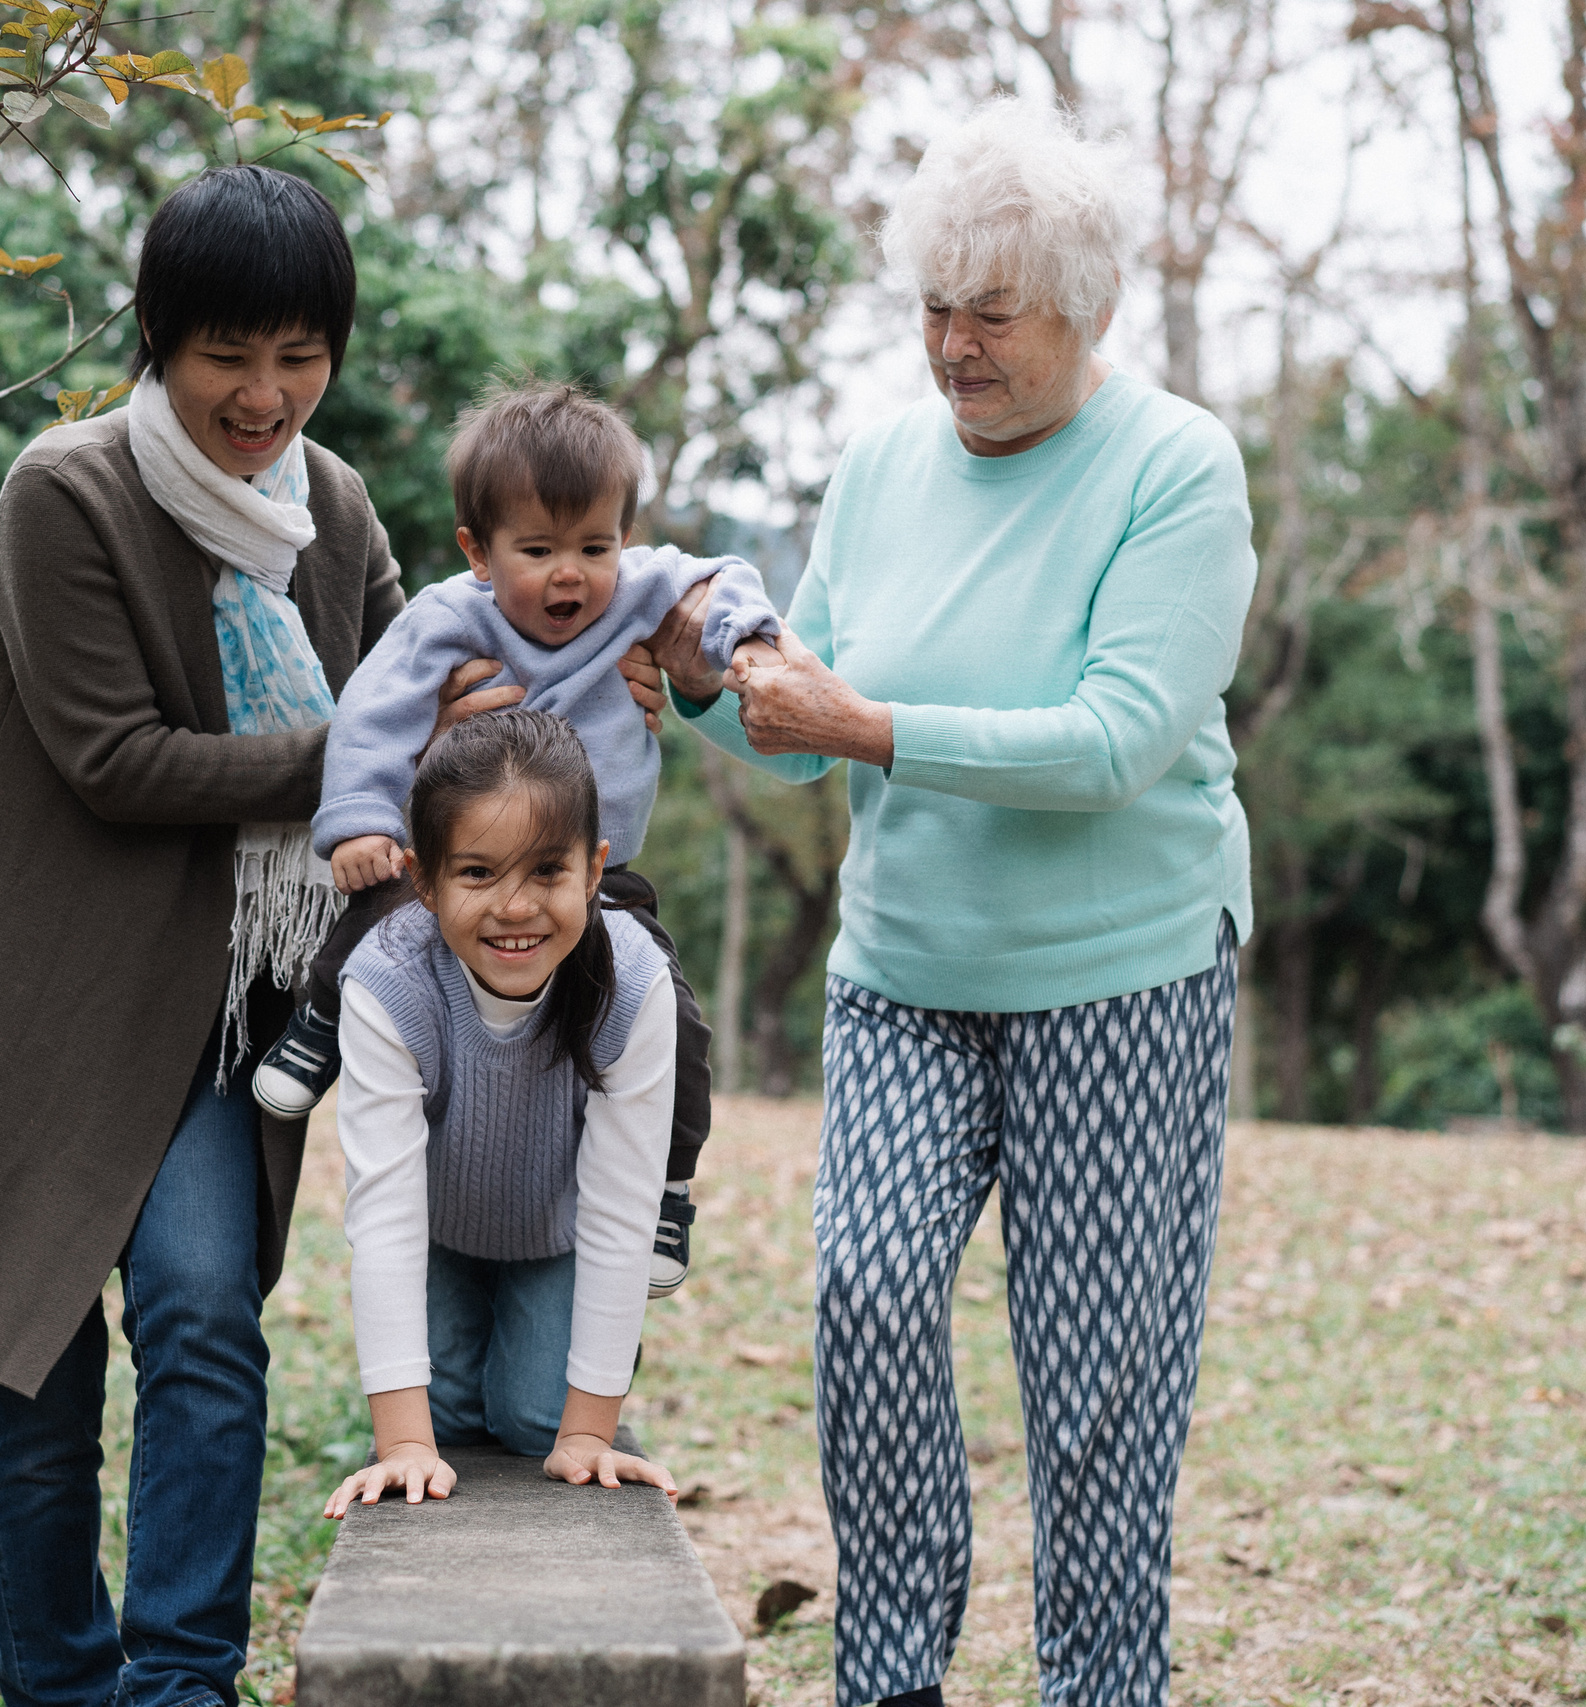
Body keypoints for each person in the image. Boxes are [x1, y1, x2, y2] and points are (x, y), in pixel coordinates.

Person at [651, 98, 1257, 1707]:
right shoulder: (880, 463)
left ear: (1089, 310)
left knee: (1096, 1389)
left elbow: (1119, 740)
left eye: (994, 313)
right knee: (863, 1294)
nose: (955, 344)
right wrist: (700, 680)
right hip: (907, 972)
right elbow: (803, 728)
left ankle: (1103, 1684)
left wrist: (863, 727)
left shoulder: (1176, 466)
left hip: (1118, 981)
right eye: (935, 305)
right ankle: (894, 1672)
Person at [0, 164, 436, 1707]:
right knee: (33, 1371)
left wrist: (562, 676)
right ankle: (56, 1679)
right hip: (39, 989)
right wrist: (375, 747)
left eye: (300, 354)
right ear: (159, 339)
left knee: (198, 1312)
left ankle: (179, 1678)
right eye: (227, 353)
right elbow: (121, 763)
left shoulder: (337, 504)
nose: (265, 394)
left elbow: (430, 674)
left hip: (225, 999)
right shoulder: (70, 489)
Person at [252, 379, 782, 1297]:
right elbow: (374, 715)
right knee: (380, 912)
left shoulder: (636, 595)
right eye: (537, 549)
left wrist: (739, 639)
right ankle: (320, 1021)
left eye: (595, 545)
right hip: (462, 862)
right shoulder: (451, 617)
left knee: (674, 1019)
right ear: (479, 550)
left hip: (597, 877)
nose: (570, 573)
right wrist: (361, 823)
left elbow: (721, 577)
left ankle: (667, 1185)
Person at [319, 708, 681, 1516]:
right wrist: (405, 1446)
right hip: (436, 1232)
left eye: (547, 871)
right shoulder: (388, 982)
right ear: (423, 879)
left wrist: (589, 1435)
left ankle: (558, 1365)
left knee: (534, 1419)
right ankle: (456, 1379)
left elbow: (625, 1215)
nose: (516, 908)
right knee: (440, 1423)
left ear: (594, 870)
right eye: (478, 873)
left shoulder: (635, 984)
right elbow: (383, 1220)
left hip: (559, 1233)